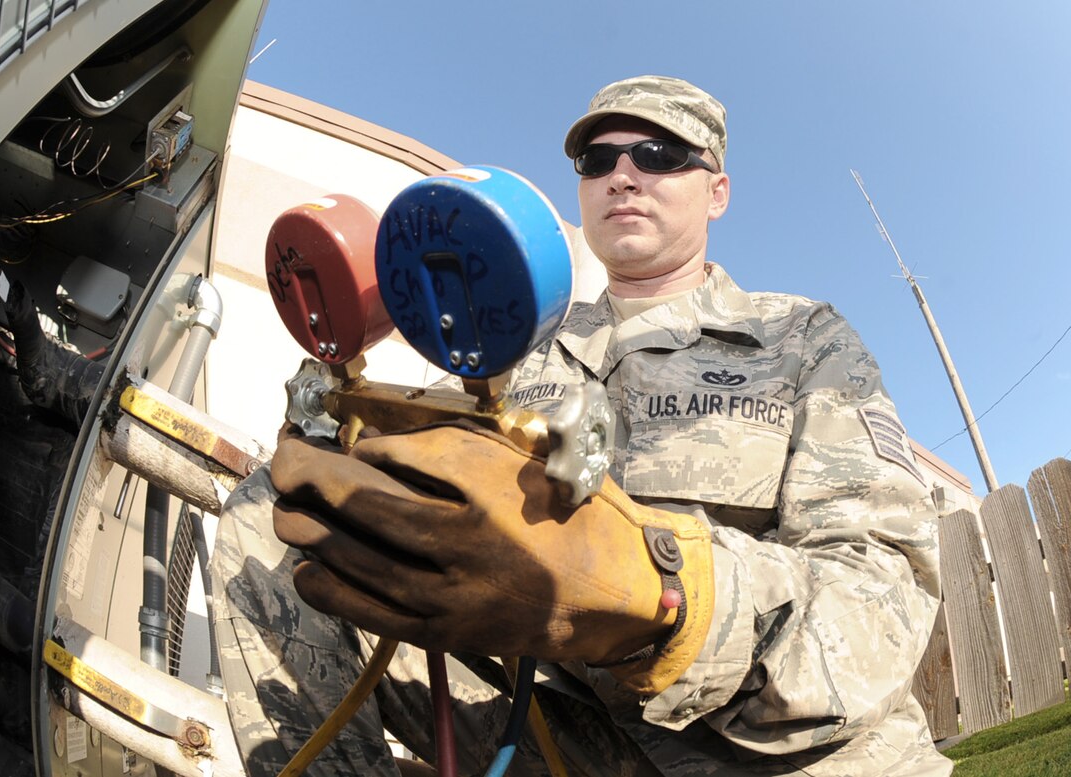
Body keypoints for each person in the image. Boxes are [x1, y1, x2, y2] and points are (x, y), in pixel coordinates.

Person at [211, 75, 950, 776]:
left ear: (717, 191)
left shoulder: (801, 339)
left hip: (763, 753)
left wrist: (660, 596)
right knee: (266, 517)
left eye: (660, 155)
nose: (624, 176)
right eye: (600, 160)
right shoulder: (506, 354)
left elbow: (881, 598)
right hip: (559, 733)